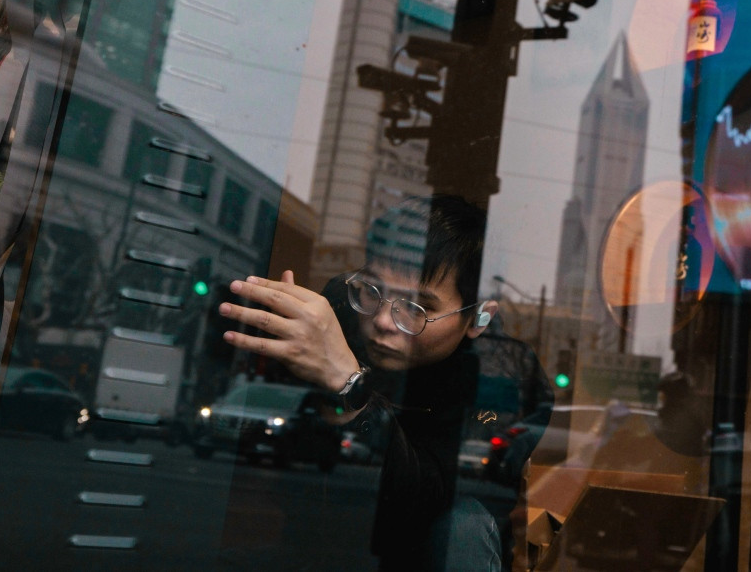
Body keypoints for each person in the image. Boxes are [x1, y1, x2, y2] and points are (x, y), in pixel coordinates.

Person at [218, 195, 552, 571]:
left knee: (465, 523)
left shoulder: (499, 373)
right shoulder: (339, 313)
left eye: (416, 308)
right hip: (318, 544)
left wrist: (349, 386)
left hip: (415, 556)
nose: (382, 321)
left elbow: (429, 498)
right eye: (374, 290)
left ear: (479, 319)